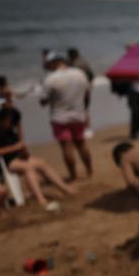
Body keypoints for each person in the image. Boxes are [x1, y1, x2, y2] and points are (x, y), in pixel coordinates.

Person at [0, 106, 74, 211]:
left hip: (16, 158)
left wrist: (20, 141)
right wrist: (15, 147)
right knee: (28, 168)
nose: (14, 125)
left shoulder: (7, 128)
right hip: (3, 163)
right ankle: (40, 198)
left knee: (42, 163)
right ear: (7, 119)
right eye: (14, 122)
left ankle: (65, 189)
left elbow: (19, 141)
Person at [39, 51, 93, 180]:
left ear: (54, 63)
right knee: (81, 144)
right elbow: (87, 93)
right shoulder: (80, 74)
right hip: (78, 116)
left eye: (49, 64)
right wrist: (85, 111)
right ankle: (90, 171)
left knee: (66, 147)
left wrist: (51, 99)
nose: (48, 66)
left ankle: (73, 175)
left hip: (59, 118)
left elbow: (43, 101)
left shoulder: (50, 78)